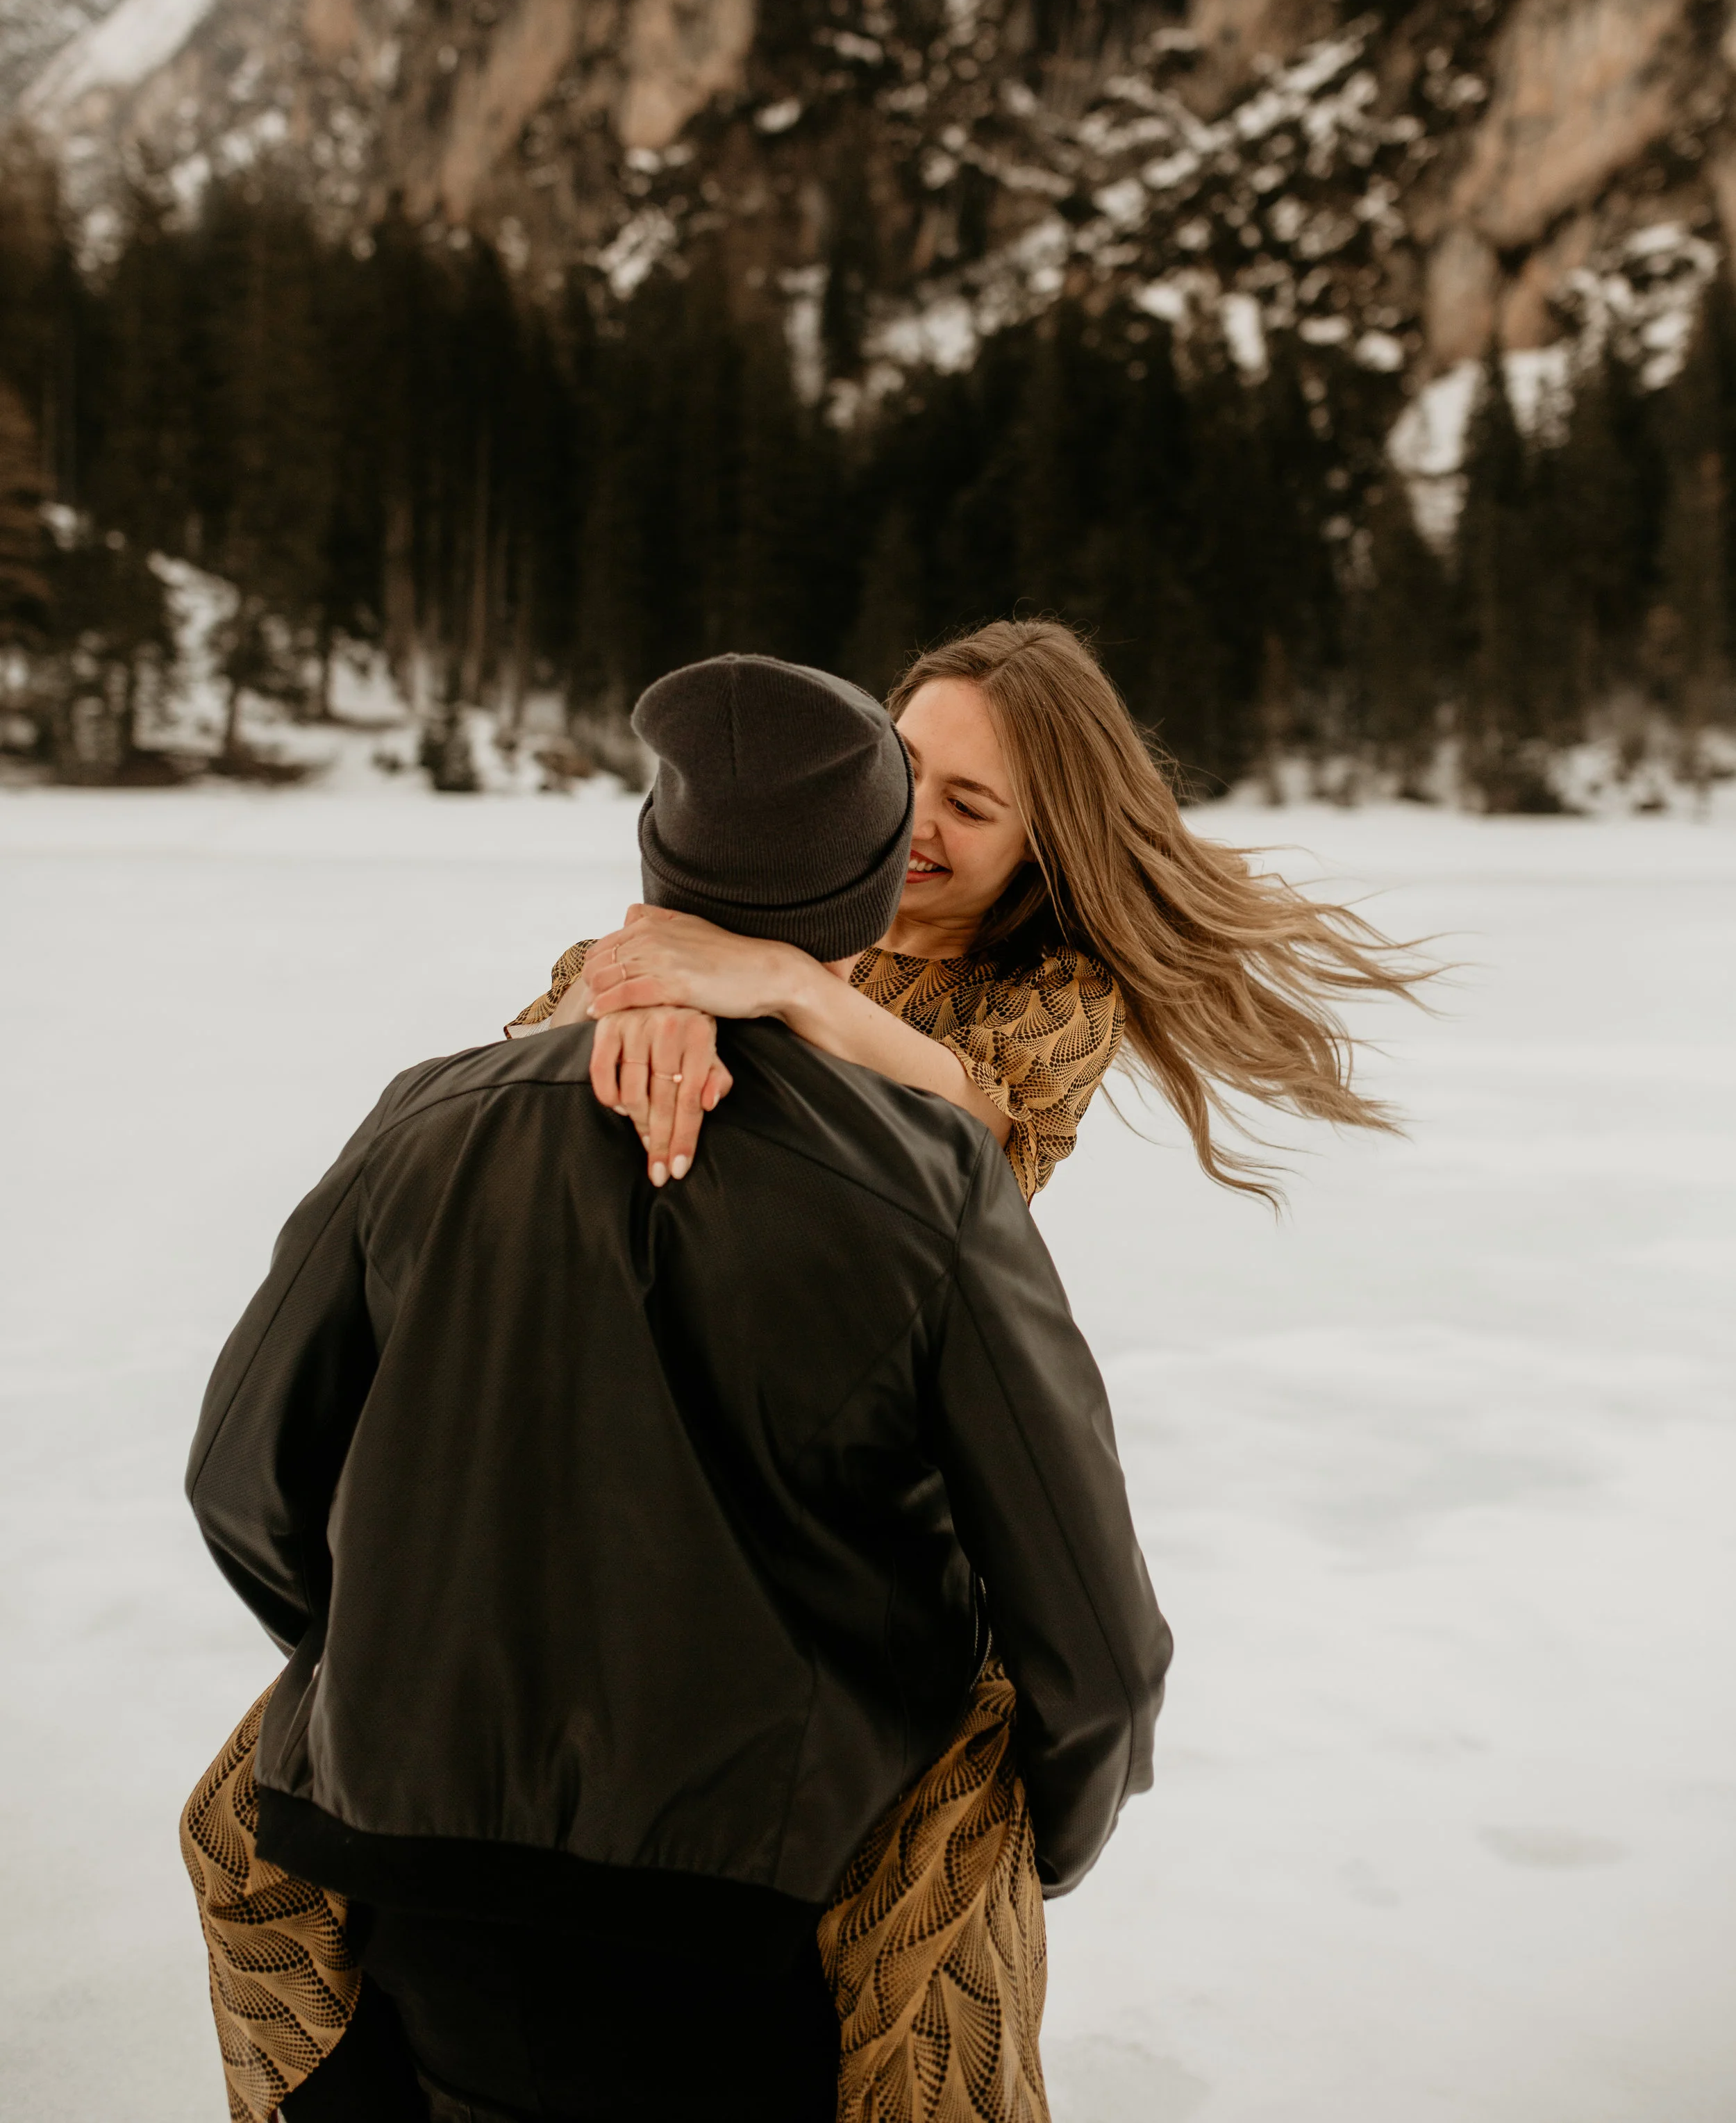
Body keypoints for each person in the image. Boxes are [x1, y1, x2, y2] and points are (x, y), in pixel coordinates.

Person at [183, 651, 1174, 2123]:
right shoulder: (619, 999)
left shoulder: (1039, 1007)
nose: (920, 826)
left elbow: (977, 1124)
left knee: (928, 1909)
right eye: (907, 778)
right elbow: (550, 1057)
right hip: (601, 1516)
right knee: (255, 1820)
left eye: (974, 805)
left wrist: (764, 977)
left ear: (1049, 842)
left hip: (825, 1529)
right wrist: (657, 993)